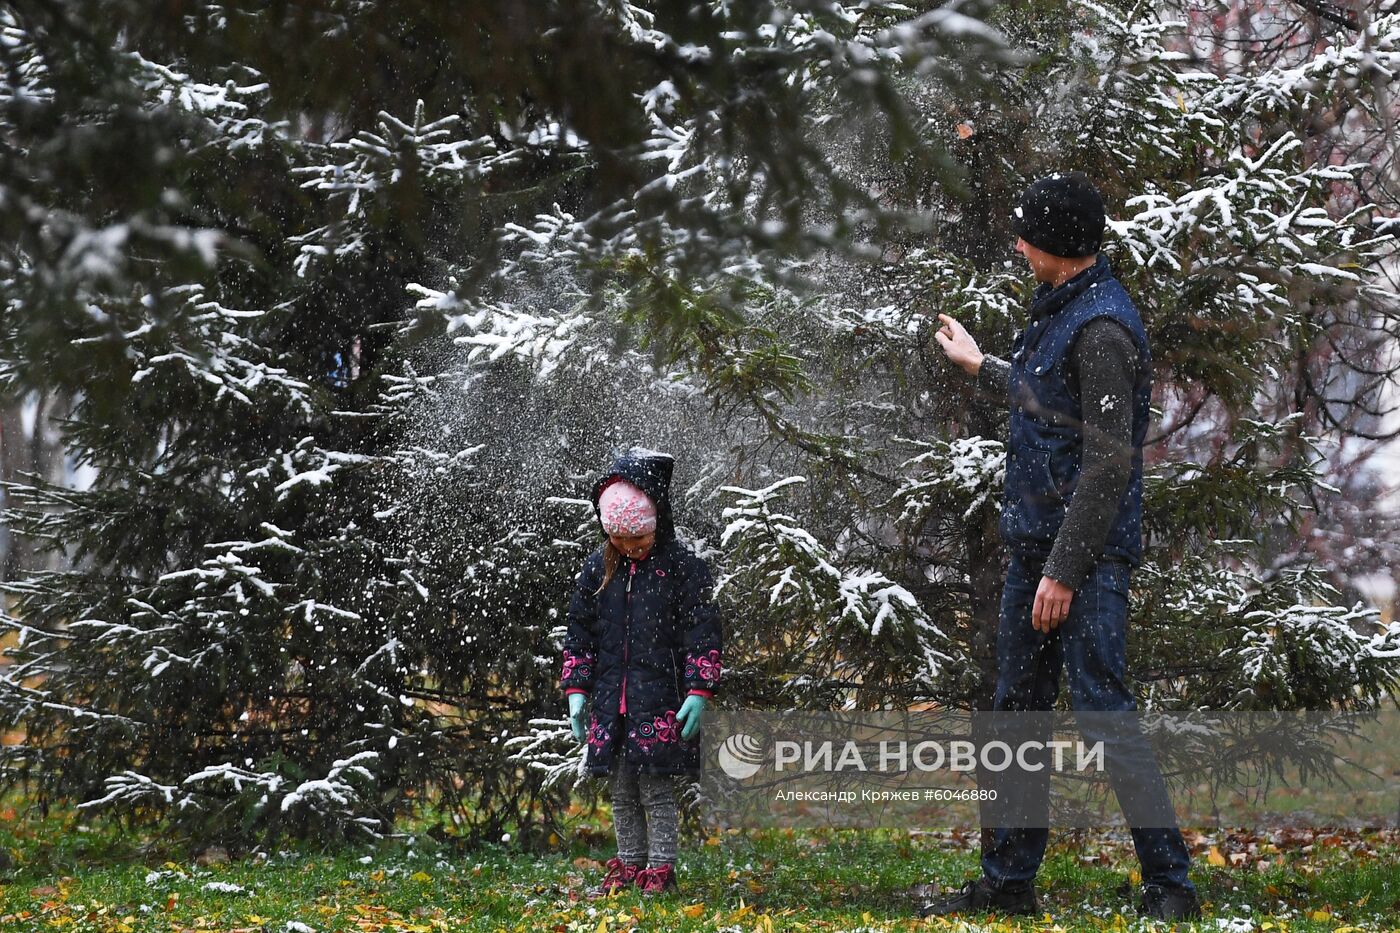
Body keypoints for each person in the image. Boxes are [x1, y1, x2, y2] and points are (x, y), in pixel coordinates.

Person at [920, 172, 1201, 921]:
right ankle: (1008, 883)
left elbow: (1109, 461)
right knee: (1017, 713)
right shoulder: (1065, 310)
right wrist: (981, 365)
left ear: (1065, 249)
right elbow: (1054, 400)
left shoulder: (1103, 329)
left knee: (1105, 713)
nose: (1018, 245)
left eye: (1029, 238)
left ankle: (1171, 888)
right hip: (1036, 553)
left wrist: (1064, 571)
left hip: (1084, 562)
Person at [560, 447, 722, 897]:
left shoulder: (682, 570)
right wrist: (577, 687)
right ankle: (628, 865)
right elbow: (581, 631)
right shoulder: (598, 569)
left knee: (656, 791)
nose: (630, 548)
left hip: (660, 701)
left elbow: (702, 632)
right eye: (620, 540)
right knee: (621, 791)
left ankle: (661, 871)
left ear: (658, 522)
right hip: (613, 705)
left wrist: (699, 689)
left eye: (639, 539)